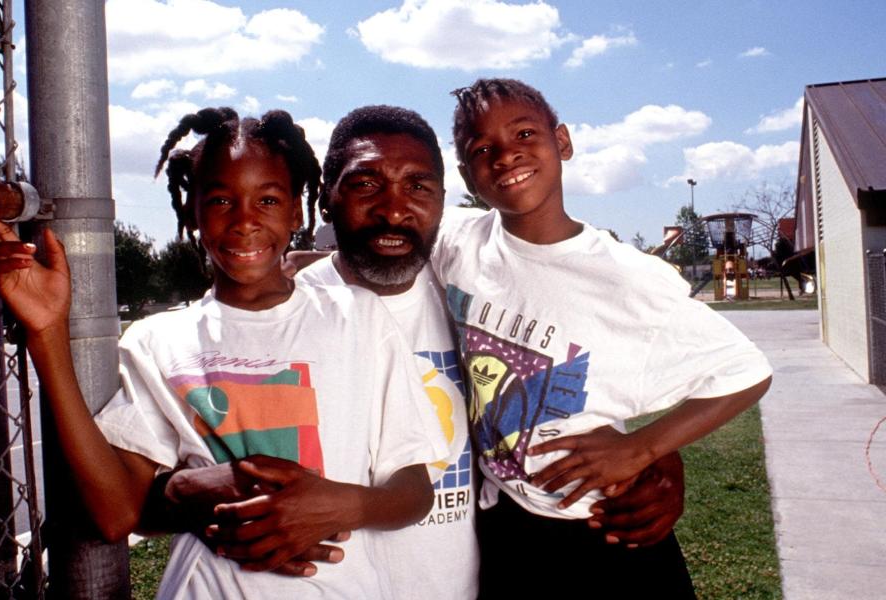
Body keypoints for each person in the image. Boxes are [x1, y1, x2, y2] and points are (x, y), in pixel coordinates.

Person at [158, 105, 691, 598]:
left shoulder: (475, 290)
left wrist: (659, 455)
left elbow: (595, 374)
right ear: (325, 197)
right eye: (365, 184)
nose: (393, 210)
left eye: (418, 187)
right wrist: (182, 488)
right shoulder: (289, 308)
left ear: (442, 198)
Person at [0, 107, 446, 599]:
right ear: (192, 213)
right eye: (221, 200)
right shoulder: (159, 341)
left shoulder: (361, 317)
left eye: (267, 199)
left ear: (296, 212)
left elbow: (414, 492)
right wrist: (47, 334)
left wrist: (340, 506)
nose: (244, 221)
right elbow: (115, 515)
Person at [435, 78, 773, 597]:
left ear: (562, 142)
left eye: (525, 133)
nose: (506, 156)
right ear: (466, 174)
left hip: (600, 527)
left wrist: (642, 449)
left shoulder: (624, 277)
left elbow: (746, 372)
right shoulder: (460, 241)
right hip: (509, 522)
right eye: (482, 149)